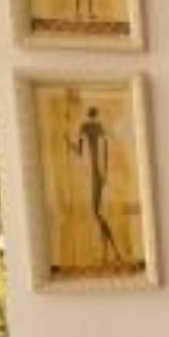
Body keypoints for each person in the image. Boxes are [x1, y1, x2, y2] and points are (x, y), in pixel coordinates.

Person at [69, 106, 122, 266]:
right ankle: (111, 252)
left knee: (97, 213)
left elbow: (79, 151)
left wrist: (67, 142)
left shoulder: (85, 126)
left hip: (94, 175)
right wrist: (105, 173)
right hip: (98, 174)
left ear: (88, 114)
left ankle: (114, 251)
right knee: (98, 214)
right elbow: (106, 152)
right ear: (96, 114)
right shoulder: (100, 127)